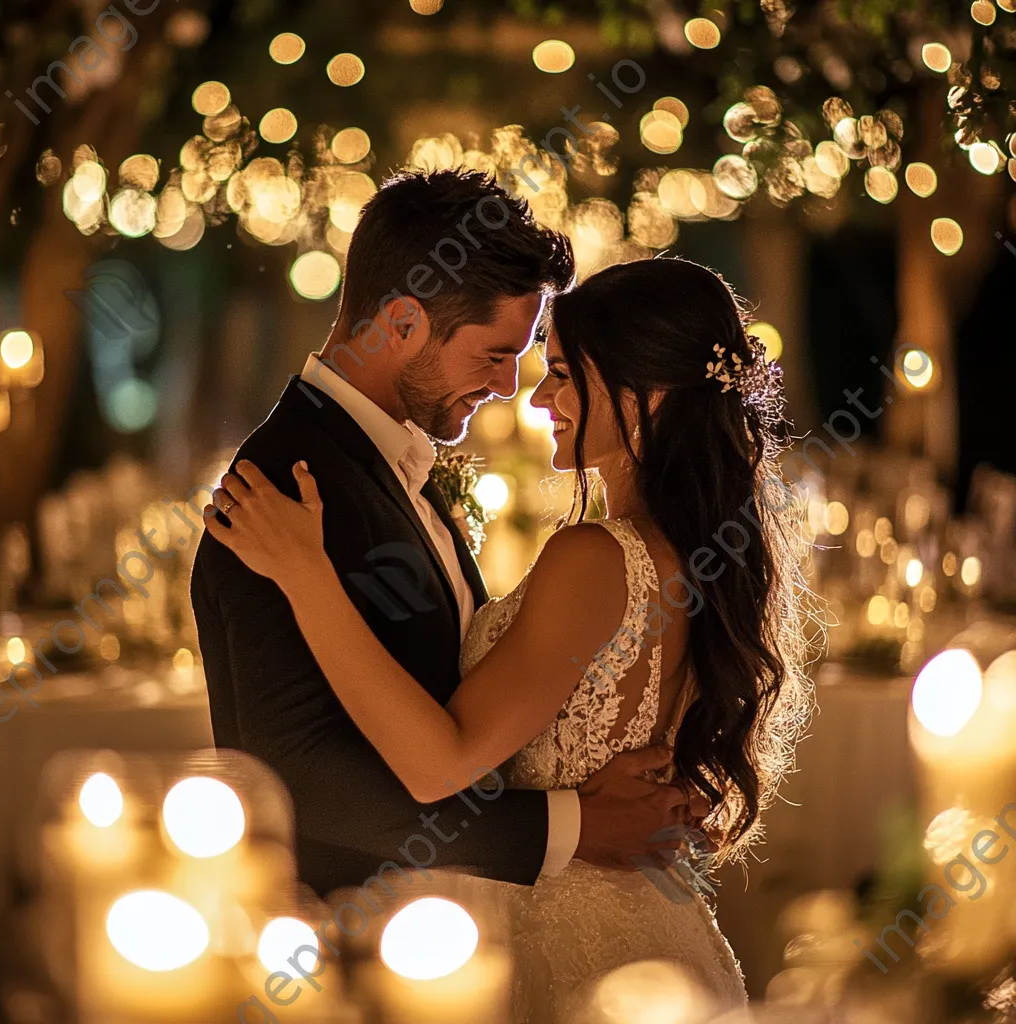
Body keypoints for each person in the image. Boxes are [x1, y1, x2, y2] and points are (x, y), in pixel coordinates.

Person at [203, 251, 817, 1019]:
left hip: (562, 937)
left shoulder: (596, 557)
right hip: (645, 927)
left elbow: (442, 761)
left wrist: (306, 576)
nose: (539, 399)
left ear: (646, 397)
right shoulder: (686, 548)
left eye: (564, 373)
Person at [190, 169, 709, 915]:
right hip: (343, 927)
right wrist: (569, 824)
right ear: (402, 324)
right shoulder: (284, 487)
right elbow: (303, 776)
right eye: (496, 354)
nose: (510, 388)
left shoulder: (386, 457)